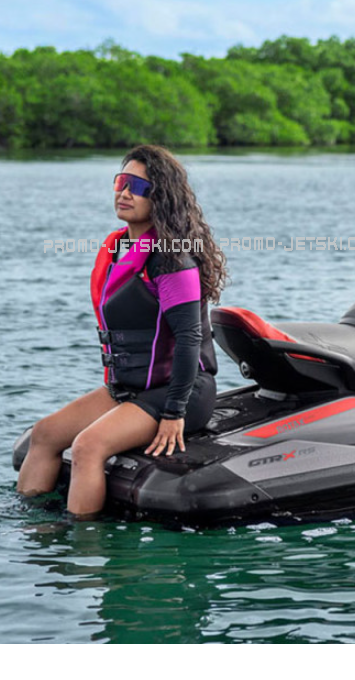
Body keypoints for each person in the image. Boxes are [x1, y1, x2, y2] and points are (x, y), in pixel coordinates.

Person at [17, 144, 227, 517]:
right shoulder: (118, 250)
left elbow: (189, 339)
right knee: (45, 434)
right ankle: (31, 529)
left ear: (161, 197)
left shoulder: (172, 259)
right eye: (121, 183)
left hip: (181, 391)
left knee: (87, 447)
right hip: (132, 387)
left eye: (138, 187)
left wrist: (174, 413)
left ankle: (85, 543)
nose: (125, 193)